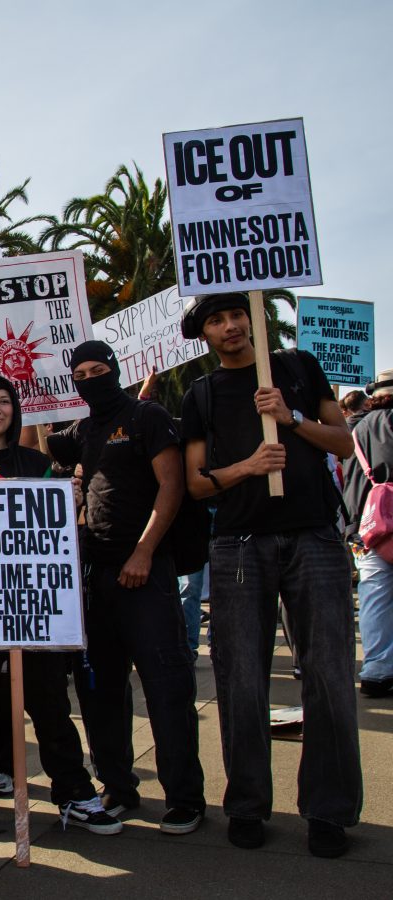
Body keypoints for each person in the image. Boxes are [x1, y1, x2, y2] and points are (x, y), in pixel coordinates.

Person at [179, 292, 360, 858]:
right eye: (217, 319)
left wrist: (293, 418)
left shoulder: (300, 368)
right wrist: (250, 466)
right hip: (238, 546)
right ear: (204, 334)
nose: (231, 325)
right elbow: (197, 482)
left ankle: (329, 812)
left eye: (238, 314)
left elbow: (346, 443)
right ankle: (247, 804)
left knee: (330, 674)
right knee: (241, 679)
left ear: (255, 318)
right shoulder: (201, 395)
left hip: (315, 538)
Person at [0, 375, 122, 841]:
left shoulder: (40, 465)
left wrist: (68, 502)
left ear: (15, 409)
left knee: (51, 707)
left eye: (3, 401)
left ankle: (75, 794)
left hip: (34, 605)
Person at [47, 340, 205, 836]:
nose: (90, 379)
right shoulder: (81, 428)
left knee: (166, 686)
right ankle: (117, 786)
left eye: (99, 370)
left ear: (115, 370)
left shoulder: (147, 417)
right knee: (100, 691)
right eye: (81, 374)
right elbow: (35, 449)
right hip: (95, 579)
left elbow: (172, 485)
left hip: (145, 573)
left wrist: (144, 550)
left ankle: (184, 797)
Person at [342, 368, 393, 698]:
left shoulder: (357, 429)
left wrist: (352, 525)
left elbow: (351, 478)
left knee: (374, 597)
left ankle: (376, 668)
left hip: (369, 524)